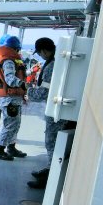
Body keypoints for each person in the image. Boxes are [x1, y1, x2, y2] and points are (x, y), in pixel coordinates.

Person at [25, 38, 71, 190]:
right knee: (55, 144)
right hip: (63, 109)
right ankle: (50, 169)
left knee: (52, 144)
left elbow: (43, 93)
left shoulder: (51, 66)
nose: (40, 56)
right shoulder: (59, 60)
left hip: (56, 112)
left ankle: (50, 179)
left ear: (44, 51)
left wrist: (28, 89)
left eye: (39, 53)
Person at [0, 34, 27, 161]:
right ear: (15, 49)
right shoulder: (9, 61)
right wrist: (23, 84)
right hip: (9, 99)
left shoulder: (10, 60)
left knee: (15, 124)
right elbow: (10, 79)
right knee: (9, 125)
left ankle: (11, 147)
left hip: (14, 98)